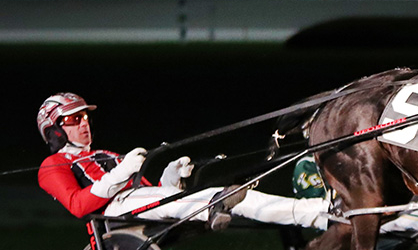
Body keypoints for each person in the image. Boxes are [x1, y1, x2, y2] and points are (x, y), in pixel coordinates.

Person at [36, 93, 331, 230]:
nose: (84, 124)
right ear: (55, 130)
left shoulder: (106, 155)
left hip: (135, 202)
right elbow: (78, 206)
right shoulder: (52, 165)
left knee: (217, 194)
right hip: (115, 212)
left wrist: (170, 176)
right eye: (75, 119)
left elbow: (156, 195)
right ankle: (314, 213)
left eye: (85, 117)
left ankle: (313, 213)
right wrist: (121, 172)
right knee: (220, 196)